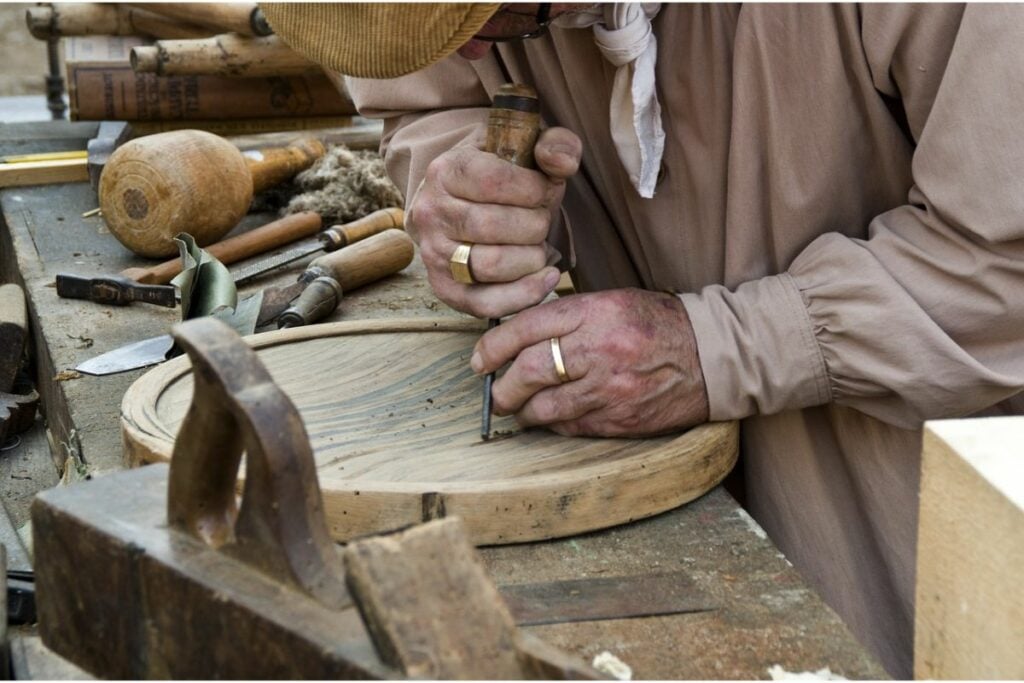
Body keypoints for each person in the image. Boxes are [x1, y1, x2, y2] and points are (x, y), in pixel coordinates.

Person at [260, 3, 1024, 676]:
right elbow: (427, 101)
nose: (468, 52)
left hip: (924, 520)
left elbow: (1001, 267)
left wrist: (713, 349)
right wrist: (467, 193)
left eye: (490, 18)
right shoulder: (469, 36)